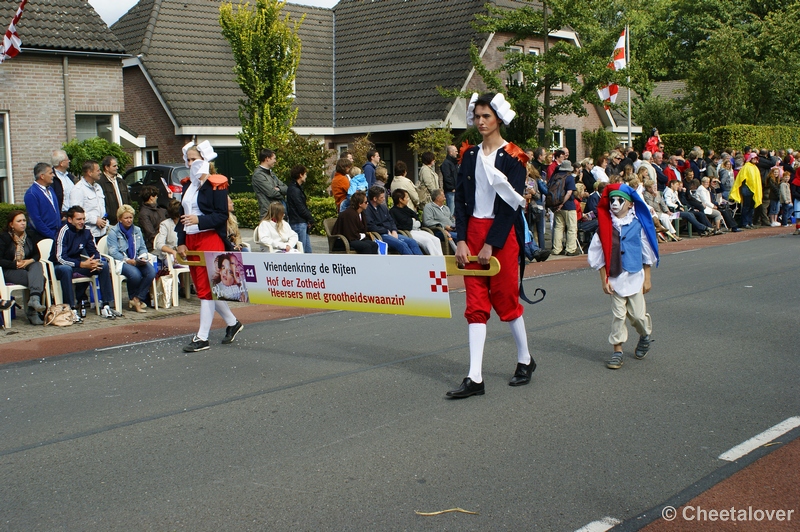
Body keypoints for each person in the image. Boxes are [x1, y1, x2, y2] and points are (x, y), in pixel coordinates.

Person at [447, 92, 534, 399]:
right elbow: (460, 200)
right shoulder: (468, 155)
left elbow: (511, 207)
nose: (480, 121)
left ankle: (525, 359)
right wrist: (460, 238)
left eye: (486, 116)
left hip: (501, 234)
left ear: (498, 118)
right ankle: (475, 377)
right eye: (477, 116)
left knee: (506, 299)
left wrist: (490, 244)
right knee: (475, 305)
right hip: (471, 231)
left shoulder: (514, 157)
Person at [177, 141, 243, 352]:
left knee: (206, 290)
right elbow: (181, 216)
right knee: (204, 289)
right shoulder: (187, 184)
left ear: (205, 160)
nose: (190, 163)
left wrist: (199, 221)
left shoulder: (216, 184)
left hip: (209, 238)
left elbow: (222, 215)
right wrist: (180, 241)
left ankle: (202, 337)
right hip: (191, 239)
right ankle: (233, 323)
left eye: (194, 159)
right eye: (188, 159)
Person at [587, 184, 658, 369]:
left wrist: (647, 277)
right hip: (615, 277)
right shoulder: (605, 226)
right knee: (618, 316)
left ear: (630, 204)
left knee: (638, 317)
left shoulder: (637, 224)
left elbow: (646, 251)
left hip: (634, 275)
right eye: (612, 200)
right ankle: (617, 351)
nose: (615, 204)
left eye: (620, 200)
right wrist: (604, 279)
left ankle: (644, 335)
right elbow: (598, 254)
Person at [52, 206, 118, 321]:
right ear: (70, 220)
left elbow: (94, 251)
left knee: (103, 265)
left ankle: (106, 305)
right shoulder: (63, 231)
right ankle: (70, 308)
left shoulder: (86, 231)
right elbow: (60, 258)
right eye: (78, 219)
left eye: (83, 219)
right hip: (59, 266)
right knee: (66, 269)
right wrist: (82, 264)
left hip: (78, 265)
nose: (82, 222)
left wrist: (94, 262)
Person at [0, 210, 48, 325]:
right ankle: (32, 311)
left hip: (26, 266)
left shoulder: (30, 235)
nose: (23, 223)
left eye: (24, 220)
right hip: (9, 270)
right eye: (19, 221)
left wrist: (28, 261)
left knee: (37, 264)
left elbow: (37, 255)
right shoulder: (4, 238)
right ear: (11, 224)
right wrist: (15, 264)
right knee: (41, 279)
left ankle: (34, 300)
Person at [106, 204, 156, 313]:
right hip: (121, 261)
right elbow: (113, 251)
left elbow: (142, 247)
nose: (129, 220)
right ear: (120, 219)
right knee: (135, 274)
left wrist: (142, 257)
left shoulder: (137, 230)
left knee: (151, 272)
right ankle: (135, 299)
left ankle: (136, 298)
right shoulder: (113, 232)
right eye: (126, 218)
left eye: (131, 217)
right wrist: (126, 260)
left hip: (136, 259)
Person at [363, 185, 423, 255]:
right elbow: (371, 226)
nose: (383, 199)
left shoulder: (383, 208)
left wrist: (394, 230)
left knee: (412, 242)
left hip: (391, 233)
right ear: (375, 199)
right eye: (381, 197)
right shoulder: (367, 210)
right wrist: (386, 231)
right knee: (402, 245)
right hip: (380, 235)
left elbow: (391, 221)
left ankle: (421, 263)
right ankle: (412, 265)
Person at [389, 189, 443, 255]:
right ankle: (435, 261)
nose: (408, 199)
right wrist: (412, 221)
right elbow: (401, 224)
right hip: (408, 232)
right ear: (400, 199)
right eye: (406, 197)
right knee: (427, 241)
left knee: (436, 239)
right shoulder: (393, 211)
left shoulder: (406, 209)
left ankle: (441, 259)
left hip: (417, 230)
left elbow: (417, 219)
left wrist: (412, 222)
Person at [69, 159, 108, 241]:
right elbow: (75, 213)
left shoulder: (98, 187)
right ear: (90, 173)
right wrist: (95, 220)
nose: (100, 172)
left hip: (102, 232)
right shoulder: (78, 189)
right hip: (88, 234)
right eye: (97, 170)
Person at [23, 162, 62, 241]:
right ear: (42, 176)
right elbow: (35, 220)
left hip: (56, 234)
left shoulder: (50, 189)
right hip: (43, 237)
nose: (53, 175)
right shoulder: (32, 194)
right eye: (50, 173)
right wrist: (51, 235)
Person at [550, 159, 579, 256]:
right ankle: (570, 249)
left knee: (558, 227)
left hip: (556, 206)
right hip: (568, 206)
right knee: (571, 228)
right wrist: (562, 203)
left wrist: (557, 204)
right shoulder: (569, 177)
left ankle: (557, 249)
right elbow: (569, 192)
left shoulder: (555, 176)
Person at [729, 152, 763, 229]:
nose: (755, 160)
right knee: (746, 207)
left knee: (751, 207)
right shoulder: (746, 167)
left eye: (756, 158)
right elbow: (741, 178)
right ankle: (744, 223)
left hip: (754, 190)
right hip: (747, 190)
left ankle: (750, 222)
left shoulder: (755, 167)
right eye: (753, 158)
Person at [252, 148, 287, 219]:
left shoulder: (271, 174)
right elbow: (271, 192)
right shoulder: (258, 175)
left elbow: (286, 188)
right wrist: (282, 194)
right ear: (267, 159)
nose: (275, 161)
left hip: (278, 213)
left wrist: (279, 189)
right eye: (274, 158)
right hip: (268, 215)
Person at [99, 156, 131, 225]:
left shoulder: (121, 182)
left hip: (124, 221)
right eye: (114, 166)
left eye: (117, 165)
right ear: (107, 168)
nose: (117, 168)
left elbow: (128, 199)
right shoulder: (100, 183)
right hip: (111, 222)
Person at [137, 185, 167, 252]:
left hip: (165, 243)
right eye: (156, 196)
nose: (157, 197)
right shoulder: (144, 213)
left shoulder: (161, 210)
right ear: (151, 197)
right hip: (153, 247)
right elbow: (150, 233)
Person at [51, 149, 76, 216]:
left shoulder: (70, 177)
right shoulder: (52, 178)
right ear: (61, 163)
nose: (69, 161)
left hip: (74, 215)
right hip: (63, 216)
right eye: (67, 159)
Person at [441, 145, 458, 214]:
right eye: (456, 151)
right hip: (451, 191)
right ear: (450, 152)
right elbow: (447, 177)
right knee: (451, 210)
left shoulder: (453, 163)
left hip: (455, 190)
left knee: (455, 210)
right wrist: (452, 188)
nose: (457, 153)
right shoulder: (446, 164)